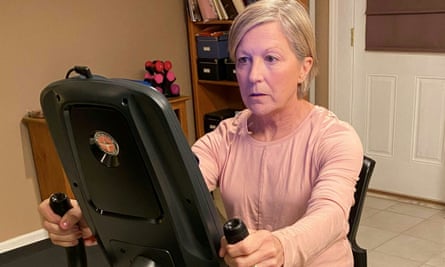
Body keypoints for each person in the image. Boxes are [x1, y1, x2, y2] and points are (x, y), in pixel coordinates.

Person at [38, 0, 363, 266]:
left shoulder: (334, 138)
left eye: (271, 58)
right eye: (244, 60)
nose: (254, 76)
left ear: (304, 67)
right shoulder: (227, 135)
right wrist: (90, 211)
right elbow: (171, 185)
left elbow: (331, 214)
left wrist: (281, 246)